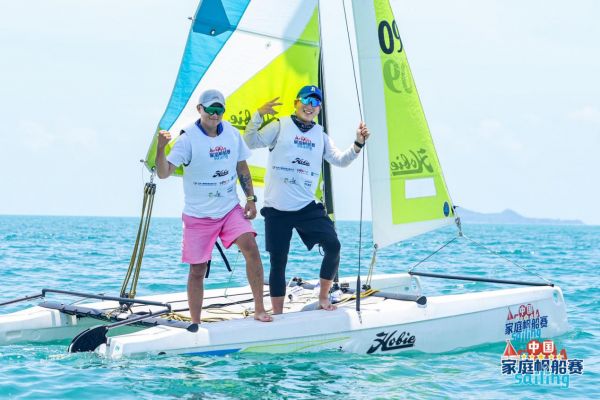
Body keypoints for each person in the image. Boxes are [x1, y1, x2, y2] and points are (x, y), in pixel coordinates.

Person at [244, 85, 370, 314]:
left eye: (315, 102)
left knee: (333, 245)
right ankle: (278, 314)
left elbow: (340, 160)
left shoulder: (320, 135)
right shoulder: (280, 125)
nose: (310, 106)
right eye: (306, 100)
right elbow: (250, 141)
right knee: (278, 261)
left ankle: (323, 298)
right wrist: (259, 115)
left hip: (306, 207)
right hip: (277, 209)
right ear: (296, 103)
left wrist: (358, 143)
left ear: (319, 108)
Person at [155, 89, 272, 324]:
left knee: (251, 247)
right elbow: (163, 173)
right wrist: (160, 148)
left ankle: (260, 309)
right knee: (197, 270)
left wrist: (250, 198)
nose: (215, 115)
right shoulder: (187, 139)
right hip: (198, 215)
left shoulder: (232, 134)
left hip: (229, 209)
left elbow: (242, 167)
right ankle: (196, 323)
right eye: (210, 110)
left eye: (219, 110)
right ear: (200, 109)